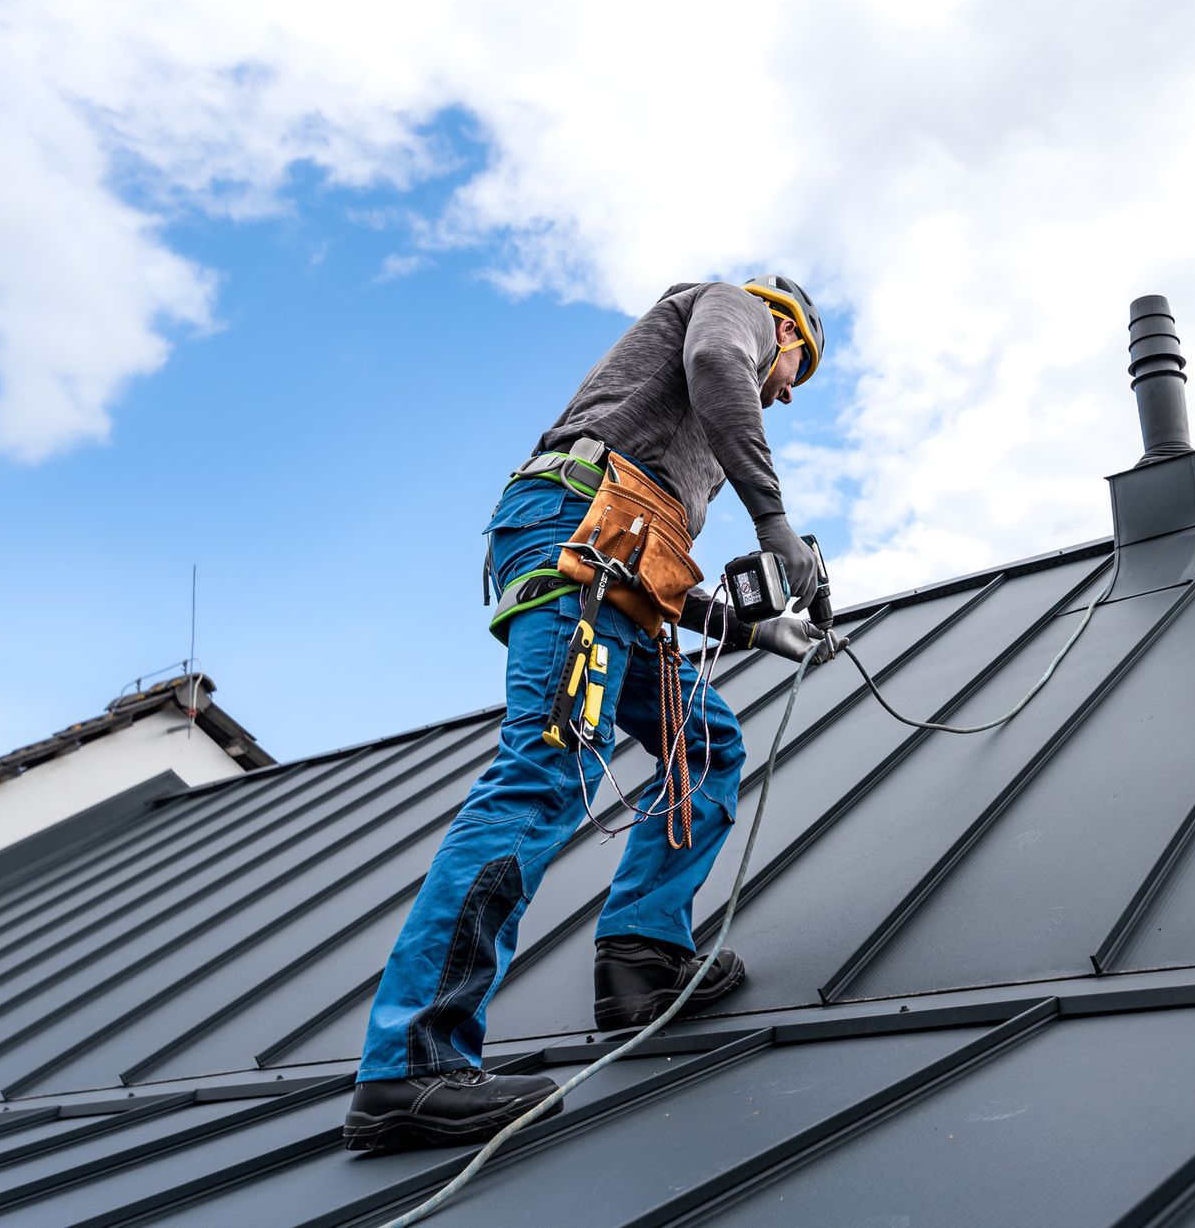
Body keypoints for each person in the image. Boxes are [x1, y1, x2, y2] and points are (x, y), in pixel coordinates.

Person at [342, 275, 833, 1151]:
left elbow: (646, 566)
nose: (789, 389)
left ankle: (642, 957)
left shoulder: (679, 457)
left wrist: (754, 632)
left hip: (612, 558)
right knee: (546, 770)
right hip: (573, 529)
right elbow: (721, 361)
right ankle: (410, 1065)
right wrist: (774, 522)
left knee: (706, 745)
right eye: (801, 366)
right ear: (785, 324)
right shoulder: (735, 308)